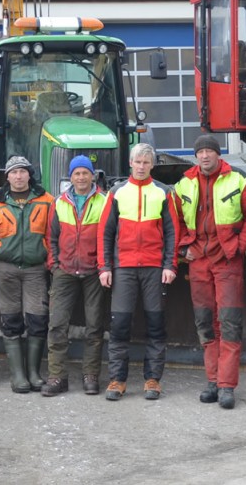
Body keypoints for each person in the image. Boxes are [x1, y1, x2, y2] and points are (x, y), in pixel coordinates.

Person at [174, 134, 246, 409]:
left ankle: (226, 386)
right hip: (198, 260)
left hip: (227, 260)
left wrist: (238, 246)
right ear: (196, 156)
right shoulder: (183, 184)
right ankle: (212, 380)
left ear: (217, 155)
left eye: (210, 151)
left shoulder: (240, 179)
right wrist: (182, 248)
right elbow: (172, 221)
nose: (205, 156)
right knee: (205, 322)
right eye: (201, 152)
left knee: (229, 322)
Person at [98, 143, 178, 401]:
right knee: (120, 325)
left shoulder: (163, 192)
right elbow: (105, 232)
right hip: (124, 268)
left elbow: (172, 232)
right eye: (137, 161)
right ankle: (117, 380)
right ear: (130, 163)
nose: (141, 166)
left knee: (155, 325)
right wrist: (105, 267)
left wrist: (170, 264)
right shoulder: (117, 192)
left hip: (154, 268)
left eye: (146, 162)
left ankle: (152, 380)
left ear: (152, 165)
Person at [0, 155, 54, 394]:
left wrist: (48, 258)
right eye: (14, 172)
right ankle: (17, 375)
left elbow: (54, 232)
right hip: (6, 269)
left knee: (38, 320)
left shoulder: (47, 200)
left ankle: (33, 372)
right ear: (7, 177)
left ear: (29, 175)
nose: (18, 176)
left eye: (23, 171)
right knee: (11, 321)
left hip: (35, 269)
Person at [42, 155, 108, 397]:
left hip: (93, 271)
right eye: (76, 173)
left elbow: (109, 236)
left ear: (93, 175)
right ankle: (57, 377)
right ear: (70, 177)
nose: (81, 177)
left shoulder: (104, 201)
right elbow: (51, 237)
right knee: (57, 325)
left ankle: (91, 374)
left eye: (85, 173)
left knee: (94, 326)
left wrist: (104, 266)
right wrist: (55, 264)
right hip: (65, 271)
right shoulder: (59, 203)